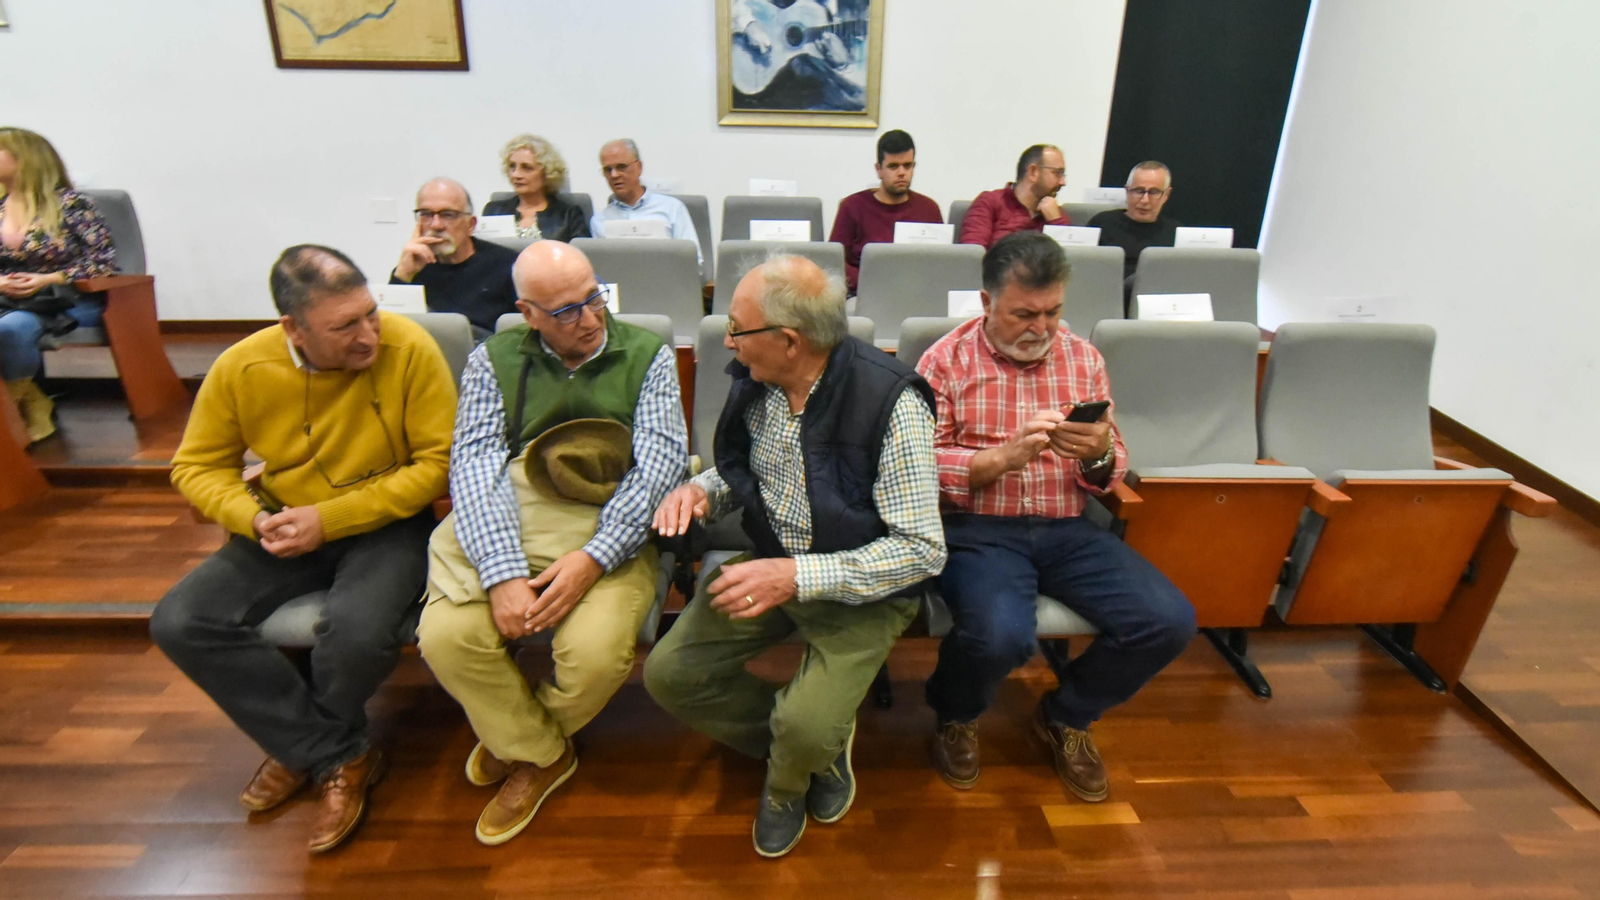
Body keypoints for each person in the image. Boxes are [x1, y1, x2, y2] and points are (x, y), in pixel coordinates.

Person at [149, 245, 456, 853]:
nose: (368, 335)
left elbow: (438, 465)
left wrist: (332, 517)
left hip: (386, 522)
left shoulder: (407, 349)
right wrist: (252, 517)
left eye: (370, 313)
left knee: (359, 629)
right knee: (180, 621)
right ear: (293, 328)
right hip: (282, 522)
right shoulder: (243, 366)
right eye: (345, 326)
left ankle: (304, 749)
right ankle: (336, 753)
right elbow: (196, 466)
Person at [645, 254, 946, 859]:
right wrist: (698, 489)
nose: (728, 340)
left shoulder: (892, 403)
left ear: (789, 340)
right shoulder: (759, 381)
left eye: (737, 327)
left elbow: (922, 552)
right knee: (670, 676)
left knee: (803, 727)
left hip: (861, 591)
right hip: (774, 561)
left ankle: (788, 779)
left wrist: (797, 576)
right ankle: (813, 746)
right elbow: (750, 471)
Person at [416, 240, 686, 846]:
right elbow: (476, 466)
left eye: (594, 298)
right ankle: (541, 755)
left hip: (607, 525)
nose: (590, 319)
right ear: (528, 312)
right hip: (513, 518)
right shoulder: (493, 359)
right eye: (566, 310)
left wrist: (593, 560)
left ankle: (519, 743)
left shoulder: (647, 355)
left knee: (594, 657)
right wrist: (502, 572)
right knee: (446, 639)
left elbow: (661, 466)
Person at [916, 232, 1195, 804]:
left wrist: (1095, 453)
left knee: (1168, 621)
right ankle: (956, 713)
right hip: (978, 529)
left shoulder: (1083, 358)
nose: (1040, 328)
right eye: (1023, 313)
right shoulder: (944, 360)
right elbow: (917, 461)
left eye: (1052, 312)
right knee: (1000, 637)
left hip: (1067, 528)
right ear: (987, 302)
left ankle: (1066, 715)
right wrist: (997, 460)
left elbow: (1111, 465)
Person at [0, 127, 116, 443]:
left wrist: (49, 278)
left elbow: (104, 262)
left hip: (66, 298)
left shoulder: (72, 205)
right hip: (7, 297)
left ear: (24, 159)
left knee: (11, 329)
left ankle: (11, 413)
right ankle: (36, 400)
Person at [392, 177, 518, 341]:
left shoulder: (508, 265)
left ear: (471, 225)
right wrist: (403, 275)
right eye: (426, 215)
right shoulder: (414, 266)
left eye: (448, 215)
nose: (436, 225)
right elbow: (392, 329)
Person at [827, 129, 943, 293]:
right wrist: (872, 281)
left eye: (907, 166)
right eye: (893, 166)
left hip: (919, 291)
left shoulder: (929, 209)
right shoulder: (852, 207)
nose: (902, 173)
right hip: (865, 292)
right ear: (879, 169)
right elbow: (834, 261)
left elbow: (942, 261)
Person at [589, 139, 702, 269]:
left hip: (667, 285)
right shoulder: (599, 221)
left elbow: (693, 262)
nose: (614, 175)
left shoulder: (672, 209)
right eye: (608, 169)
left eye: (621, 166)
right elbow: (600, 270)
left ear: (639, 167)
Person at [958, 144, 1072, 249]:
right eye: (1057, 173)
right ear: (1033, 172)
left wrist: (1056, 222)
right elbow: (972, 254)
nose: (1063, 182)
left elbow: (1070, 263)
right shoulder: (991, 202)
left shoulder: (1056, 214)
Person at [480, 134, 590, 242]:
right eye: (512, 166)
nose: (516, 174)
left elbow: (584, 255)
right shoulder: (494, 210)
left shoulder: (568, 215)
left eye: (527, 168)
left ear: (547, 173)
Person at [1089, 160, 1182, 284]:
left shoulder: (1175, 232)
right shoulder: (1101, 224)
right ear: (1127, 191)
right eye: (1138, 191)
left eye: (1154, 192)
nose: (1145, 200)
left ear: (1166, 195)